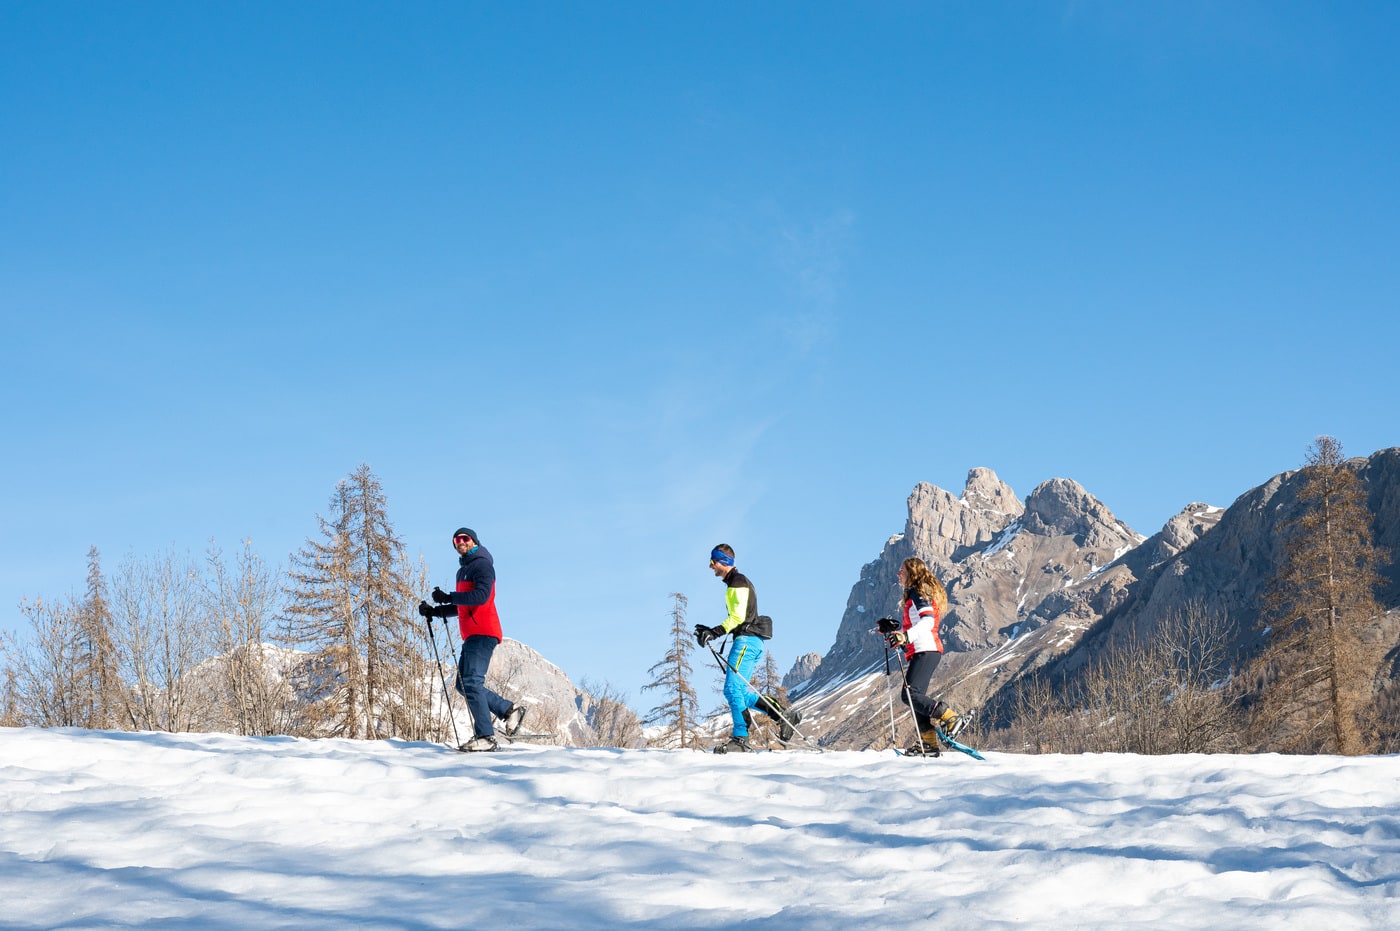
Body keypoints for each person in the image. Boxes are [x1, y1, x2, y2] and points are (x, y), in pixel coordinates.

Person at [419, 527, 526, 752]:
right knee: (463, 684)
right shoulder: (463, 571)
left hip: (483, 631)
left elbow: (481, 596)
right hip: (471, 635)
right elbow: (462, 605)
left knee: (471, 682)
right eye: (456, 540)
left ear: (474, 541)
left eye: (464, 538)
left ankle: (485, 736)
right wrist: (434, 611)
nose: (460, 542)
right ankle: (508, 711)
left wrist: (449, 596)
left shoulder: (483, 564)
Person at [693, 544, 800, 753]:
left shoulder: (737, 583)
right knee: (740, 691)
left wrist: (713, 633)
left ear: (723, 562)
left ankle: (741, 738)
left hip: (746, 641)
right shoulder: (735, 582)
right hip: (749, 641)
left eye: (712, 562)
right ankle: (783, 715)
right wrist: (710, 630)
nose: (710, 567)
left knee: (732, 689)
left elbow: (738, 617)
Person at [883, 556, 965, 755]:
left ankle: (950, 716)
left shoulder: (920, 594)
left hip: (926, 649)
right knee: (915, 698)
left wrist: (905, 635)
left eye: (902, 570)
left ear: (913, 573)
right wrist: (896, 634)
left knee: (909, 695)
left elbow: (927, 622)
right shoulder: (913, 595)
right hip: (921, 651)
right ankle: (927, 743)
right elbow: (914, 625)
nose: (898, 574)